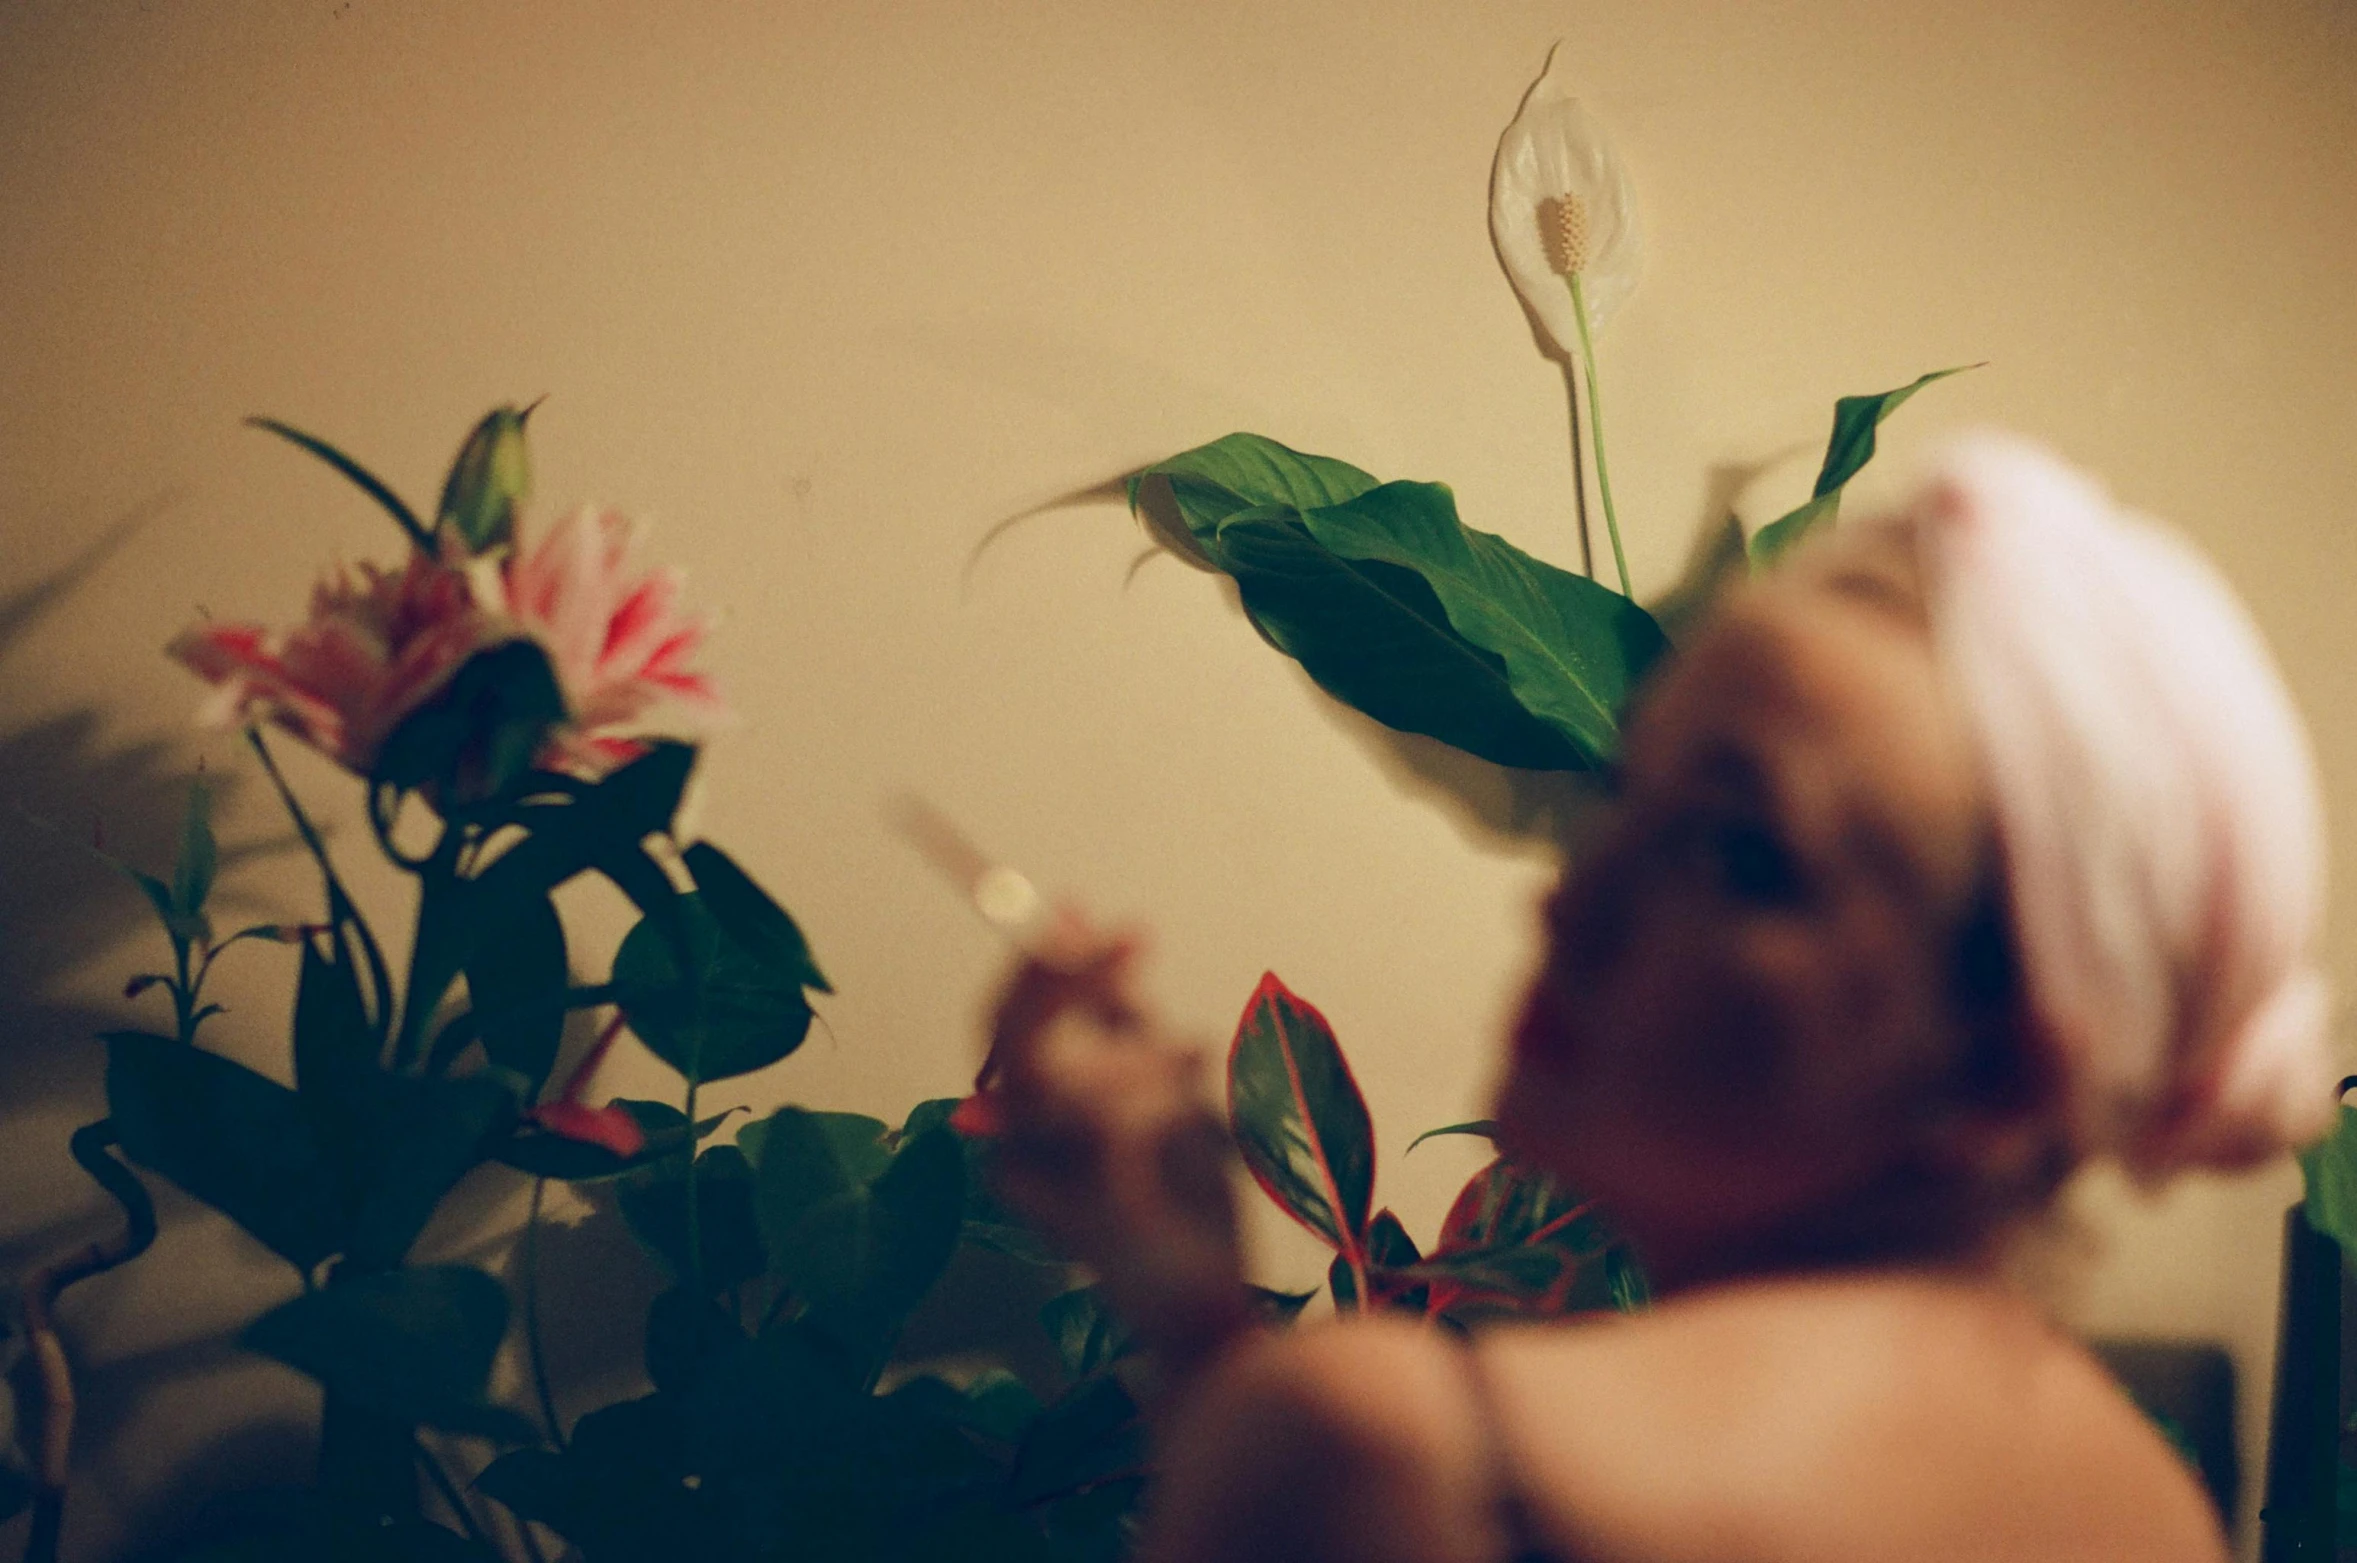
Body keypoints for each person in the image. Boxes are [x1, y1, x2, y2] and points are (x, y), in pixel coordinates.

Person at [971, 434, 2330, 1563]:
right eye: (1631, 796)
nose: (1570, 900)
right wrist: (1195, 1309)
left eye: (1737, 852)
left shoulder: (1413, 1457)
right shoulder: (2147, 1512)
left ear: (2003, 1078)